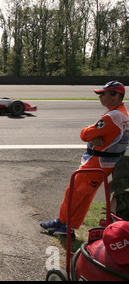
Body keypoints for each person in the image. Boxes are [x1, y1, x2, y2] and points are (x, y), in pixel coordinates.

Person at [41, 81, 128, 235]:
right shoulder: (123, 114)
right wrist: (94, 136)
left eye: (103, 93)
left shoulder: (112, 117)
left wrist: (90, 135)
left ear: (115, 95)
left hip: (96, 164)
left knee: (73, 192)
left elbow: (85, 134)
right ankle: (71, 226)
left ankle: (61, 223)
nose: (100, 97)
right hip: (107, 164)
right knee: (85, 196)